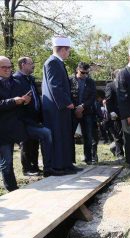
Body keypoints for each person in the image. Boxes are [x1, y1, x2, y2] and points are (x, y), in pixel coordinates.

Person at [42, 36, 81, 174]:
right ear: (63, 50)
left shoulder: (57, 62)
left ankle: (67, 163)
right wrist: (66, 102)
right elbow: (54, 86)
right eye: (68, 50)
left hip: (61, 108)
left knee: (65, 136)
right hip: (56, 108)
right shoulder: (52, 62)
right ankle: (58, 166)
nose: (68, 53)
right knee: (58, 136)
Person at [14, 57, 57, 177]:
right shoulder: (16, 80)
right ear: (23, 64)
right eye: (31, 63)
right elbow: (16, 101)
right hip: (23, 120)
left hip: (35, 118)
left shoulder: (30, 79)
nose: (33, 66)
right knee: (27, 143)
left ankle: (35, 167)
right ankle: (28, 169)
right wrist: (22, 101)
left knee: (34, 144)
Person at [0, 56, 31, 191]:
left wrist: (25, 101)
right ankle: (11, 189)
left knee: (10, 160)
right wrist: (14, 101)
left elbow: (21, 103)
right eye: (4, 67)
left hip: (15, 127)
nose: (7, 70)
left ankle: (14, 187)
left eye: (9, 67)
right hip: (2, 129)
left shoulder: (16, 82)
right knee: (6, 162)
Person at [70, 62, 97, 165]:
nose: (85, 75)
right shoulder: (70, 80)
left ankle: (88, 158)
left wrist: (82, 106)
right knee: (70, 135)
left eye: (87, 73)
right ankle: (71, 159)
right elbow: (68, 95)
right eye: (82, 72)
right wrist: (76, 108)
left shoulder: (90, 82)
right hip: (73, 111)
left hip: (87, 112)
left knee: (88, 136)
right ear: (77, 69)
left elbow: (92, 97)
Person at [105, 70, 124, 159]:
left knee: (125, 135)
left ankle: (115, 148)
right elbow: (108, 100)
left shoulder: (125, 85)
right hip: (115, 114)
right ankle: (119, 153)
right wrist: (111, 112)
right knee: (118, 135)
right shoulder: (110, 86)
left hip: (125, 113)